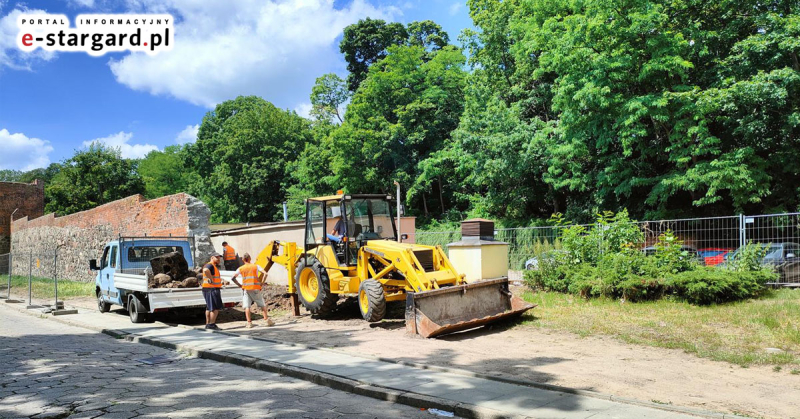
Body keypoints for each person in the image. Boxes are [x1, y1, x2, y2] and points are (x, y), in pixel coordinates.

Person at [229, 253, 275, 328]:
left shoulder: (241, 268)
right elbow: (265, 274)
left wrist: (240, 285)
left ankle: (249, 323)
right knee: (262, 304)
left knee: (247, 306)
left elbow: (233, 278)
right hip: (256, 288)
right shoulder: (256, 266)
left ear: (243, 260)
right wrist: (262, 283)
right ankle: (266, 320)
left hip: (246, 289)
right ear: (250, 258)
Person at [202, 253, 228, 330]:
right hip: (212, 289)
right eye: (217, 258)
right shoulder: (210, 265)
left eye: (219, 258)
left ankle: (208, 324)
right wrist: (211, 279)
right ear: (212, 257)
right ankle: (212, 325)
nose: (219, 260)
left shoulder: (212, 266)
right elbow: (205, 270)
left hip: (207, 288)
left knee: (209, 307)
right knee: (214, 308)